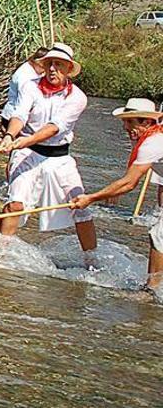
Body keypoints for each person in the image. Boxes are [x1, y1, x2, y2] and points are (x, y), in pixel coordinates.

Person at [0, 42, 98, 261]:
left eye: (58, 65)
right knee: (15, 202)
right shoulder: (30, 86)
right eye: (49, 64)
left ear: (68, 69)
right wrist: (10, 136)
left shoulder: (78, 98)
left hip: (59, 157)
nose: (52, 69)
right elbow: (20, 115)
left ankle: (92, 261)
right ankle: (0, 254)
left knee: (80, 205)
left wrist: (25, 141)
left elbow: (54, 128)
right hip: (27, 152)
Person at [70, 98, 163, 292]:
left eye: (130, 122)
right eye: (124, 121)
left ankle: (151, 289)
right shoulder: (154, 137)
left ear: (146, 121)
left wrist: (91, 198)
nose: (125, 127)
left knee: (158, 235)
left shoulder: (152, 143)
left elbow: (130, 182)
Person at [0, 47, 48, 131]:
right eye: (43, 67)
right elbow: (24, 102)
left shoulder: (33, 70)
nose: (44, 71)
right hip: (14, 116)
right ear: (37, 62)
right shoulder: (25, 76)